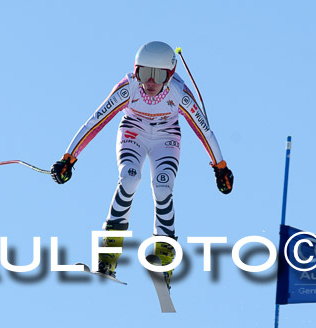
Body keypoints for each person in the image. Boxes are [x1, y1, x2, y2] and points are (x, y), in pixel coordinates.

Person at [50, 41, 233, 287]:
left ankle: (164, 254)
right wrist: (68, 158)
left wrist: (219, 167)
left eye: (158, 75)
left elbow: (203, 130)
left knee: (163, 188)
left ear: (170, 74)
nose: (150, 82)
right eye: (144, 73)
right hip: (133, 133)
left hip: (166, 138)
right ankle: (109, 252)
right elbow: (96, 121)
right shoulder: (128, 89)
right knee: (129, 178)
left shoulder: (178, 92)